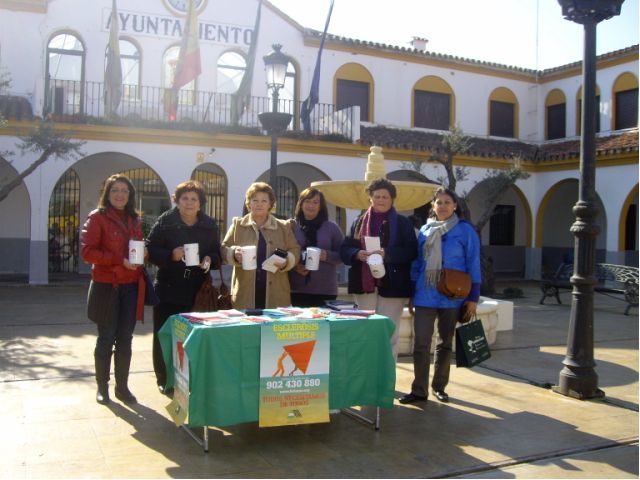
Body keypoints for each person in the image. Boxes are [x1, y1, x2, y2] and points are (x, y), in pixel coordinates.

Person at [400, 187, 481, 405]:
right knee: (421, 344)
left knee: (445, 342)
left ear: (455, 206)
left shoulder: (466, 231)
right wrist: (411, 294)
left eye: (447, 202)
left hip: (453, 295)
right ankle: (419, 390)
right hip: (425, 293)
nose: (443, 206)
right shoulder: (426, 230)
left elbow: (474, 263)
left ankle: (439, 386)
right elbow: (417, 263)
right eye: (439, 202)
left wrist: (473, 297)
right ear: (433, 206)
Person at [146, 180, 221, 395]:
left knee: (193, 337)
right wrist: (170, 254)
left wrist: (209, 260)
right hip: (168, 288)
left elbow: (217, 254)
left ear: (200, 203)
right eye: (184, 198)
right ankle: (165, 379)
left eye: (193, 199)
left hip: (197, 290)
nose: (189, 203)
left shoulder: (208, 225)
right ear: (177, 201)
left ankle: (191, 376)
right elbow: (150, 249)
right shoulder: (165, 221)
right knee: (165, 336)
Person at [81, 174, 146, 405]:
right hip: (107, 287)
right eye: (115, 190)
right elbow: (87, 252)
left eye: (125, 191)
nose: (120, 195)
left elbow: (137, 247)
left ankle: (122, 387)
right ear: (107, 194)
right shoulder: (97, 218)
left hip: (130, 287)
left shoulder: (134, 219)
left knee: (126, 339)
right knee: (106, 338)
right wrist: (119, 260)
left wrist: (142, 254)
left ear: (130, 195)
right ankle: (102, 387)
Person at [340, 178, 418, 360]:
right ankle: (367, 376)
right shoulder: (359, 222)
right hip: (364, 285)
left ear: (392, 200)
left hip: (392, 285)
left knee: (389, 333)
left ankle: (387, 378)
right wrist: (356, 253)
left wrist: (387, 254)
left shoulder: (402, 223)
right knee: (365, 332)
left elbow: (412, 251)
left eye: (385, 197)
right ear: (370, 198)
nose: (381, 200)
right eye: (377, 196)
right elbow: (345, 249)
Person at [221, 182, 300, 309]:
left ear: (270, 204)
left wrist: (287, 261)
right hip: (244, 293)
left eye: (264, 200)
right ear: (249, 203)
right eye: (255, 200)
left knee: (272, 328)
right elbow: (224, 249)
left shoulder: (283, 227)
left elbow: (295, 250)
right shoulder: (237, 225)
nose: (259, 204)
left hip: (277, 294)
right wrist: (234, 253)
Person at [289, 188, 344, 307]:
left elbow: (343, 255)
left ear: (321, 206)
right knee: (300, 325)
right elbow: (284, 253)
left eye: (315, 202)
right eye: (307, 201)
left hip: (325, 290)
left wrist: (326, 255)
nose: (311, 205)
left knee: (324, 325)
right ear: (301, 203)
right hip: (296, 289)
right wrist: (294, 266)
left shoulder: (331, 227)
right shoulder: (291, 226)